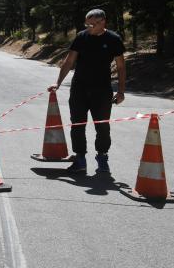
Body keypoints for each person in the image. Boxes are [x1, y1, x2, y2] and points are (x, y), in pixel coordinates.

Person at [48, 9, 126, 174]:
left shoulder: (113, 39)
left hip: (102, 90)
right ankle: (80, 158)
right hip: (79, 89)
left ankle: (102, 158)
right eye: (87, 23)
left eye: (92, 24)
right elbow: (69, 62)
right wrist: (58, 83)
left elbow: (120, 67)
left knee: (102, 126)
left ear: (102, 22)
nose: (89, 27)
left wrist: (120, 91)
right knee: (77, 125)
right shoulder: (81, 37)